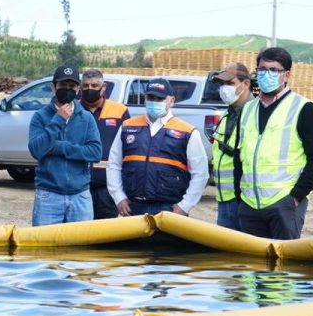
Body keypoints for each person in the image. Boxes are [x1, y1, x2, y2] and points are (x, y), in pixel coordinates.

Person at [234, 47, 313, 240]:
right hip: (249, 205)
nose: (266, 74)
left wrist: (296, 197)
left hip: (284, 204)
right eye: (262, 69)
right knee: (251, 259)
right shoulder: (247, 110)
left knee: (283, 259)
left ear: (287, 75)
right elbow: (238, 156)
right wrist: (239, 196)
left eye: (273, 70)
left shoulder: (304, 108)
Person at [107, 78, 209, 216]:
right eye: (150, 97)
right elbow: (114, 165)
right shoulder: (127, 127)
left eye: (160, 98)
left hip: (170, 208)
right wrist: (119, 197)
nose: (154, 102)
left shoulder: (187, 131)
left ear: (171, 101)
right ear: (145, 99)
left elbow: (200, 173)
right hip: (133, 206)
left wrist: (185, 206)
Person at [27, 65, 101, 226]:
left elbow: (95, 153)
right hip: (48, 195)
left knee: (82, 241)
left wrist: (59, 147)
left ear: (78, 89)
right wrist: (58, 120)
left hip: (80, 196)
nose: (67, 89)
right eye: (63, 85)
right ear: (53, 87)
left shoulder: (86, 118)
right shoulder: (40, 116)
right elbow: (36, 150)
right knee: (45, 241)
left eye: (72, 86)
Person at [79, 68, 130, 219]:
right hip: (78, 186)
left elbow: (128, 147)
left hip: (107, 187)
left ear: (103, 87)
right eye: (86, 85)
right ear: (80, 87)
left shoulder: (119, 111)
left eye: (95, 85)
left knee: (104, 229)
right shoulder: (72, 109)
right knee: (79, 228)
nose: (90, 89)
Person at [211, 63, 254, 230]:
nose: (224, 89)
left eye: (229, 83)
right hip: (224, 198)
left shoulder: (255, 115)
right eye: (222, 84)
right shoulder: (227, 114)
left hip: (245, 199)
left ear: (246, 84)